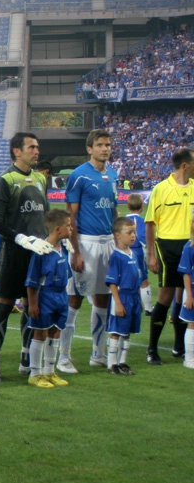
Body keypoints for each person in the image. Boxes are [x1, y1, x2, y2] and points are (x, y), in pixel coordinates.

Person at [0, 133, 53, 384]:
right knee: (4, 306)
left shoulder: (39, 179)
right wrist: (20, 238)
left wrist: (51, 238)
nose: (37, 151)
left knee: (31, 304)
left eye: (37, 146)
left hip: (36, 255)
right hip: (13, 252)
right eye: (31, 147)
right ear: (17, 151)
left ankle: (26, 356)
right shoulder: (5, 180)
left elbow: (44, 215)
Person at [58, 129, 119, 372]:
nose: (105, 148)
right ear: (89, 148)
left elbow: (114, 211)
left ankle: (98, 353)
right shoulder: (79, 176)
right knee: (74, 299)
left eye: (108, 145)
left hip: (108, 243)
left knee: (103, 299)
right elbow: (70, 215)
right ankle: (63, 356)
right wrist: (75, 250)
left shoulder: (113, 174)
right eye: (100, 145)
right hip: (86, 241)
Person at [144, 149, 194, 364]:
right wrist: (151, 255)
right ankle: (152, 349)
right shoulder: (161, 189)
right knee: (165, 297)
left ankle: (180, 347)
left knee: (185, 297)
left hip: (191, 246)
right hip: (168, 247)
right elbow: (150, 223)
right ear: (185, 166)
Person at [25, 210, 73, 389]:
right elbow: (31, 280)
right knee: (41, 333)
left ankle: (49, 370)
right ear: (59, 229)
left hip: (61, 295)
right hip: (45, 295)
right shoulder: (41, 250)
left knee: (56, 331)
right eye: (69, 225)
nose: (72, 228)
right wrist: (32, 303)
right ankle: (35, 373)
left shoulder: (65, 249)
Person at [105, 217, 146, 375]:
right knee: (116, 331)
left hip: (134, 297)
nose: (133, 235)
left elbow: (138, 278)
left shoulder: (134, 254)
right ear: (118, 235)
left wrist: (140, 300)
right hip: (122, 297)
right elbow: (113, 283)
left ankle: (122, 361)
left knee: (127, 331)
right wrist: (118, 303)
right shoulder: (116, 256)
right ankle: (111, 364)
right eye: (129, 232)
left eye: (134, 232)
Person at [124, 193, 153, 315]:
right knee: (143, 280)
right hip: (137, 252)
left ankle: (129, 305)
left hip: (123, 252)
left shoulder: (122, 220)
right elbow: (142, 236)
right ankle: (148, 308)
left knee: (126, 279)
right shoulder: (141, 221)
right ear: (142, 206)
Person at [175, 214, 194, 370]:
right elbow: (186, 273)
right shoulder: (189, 247)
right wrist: (189, 295)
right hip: (193, 290)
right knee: (192, 324)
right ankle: (188, 358)